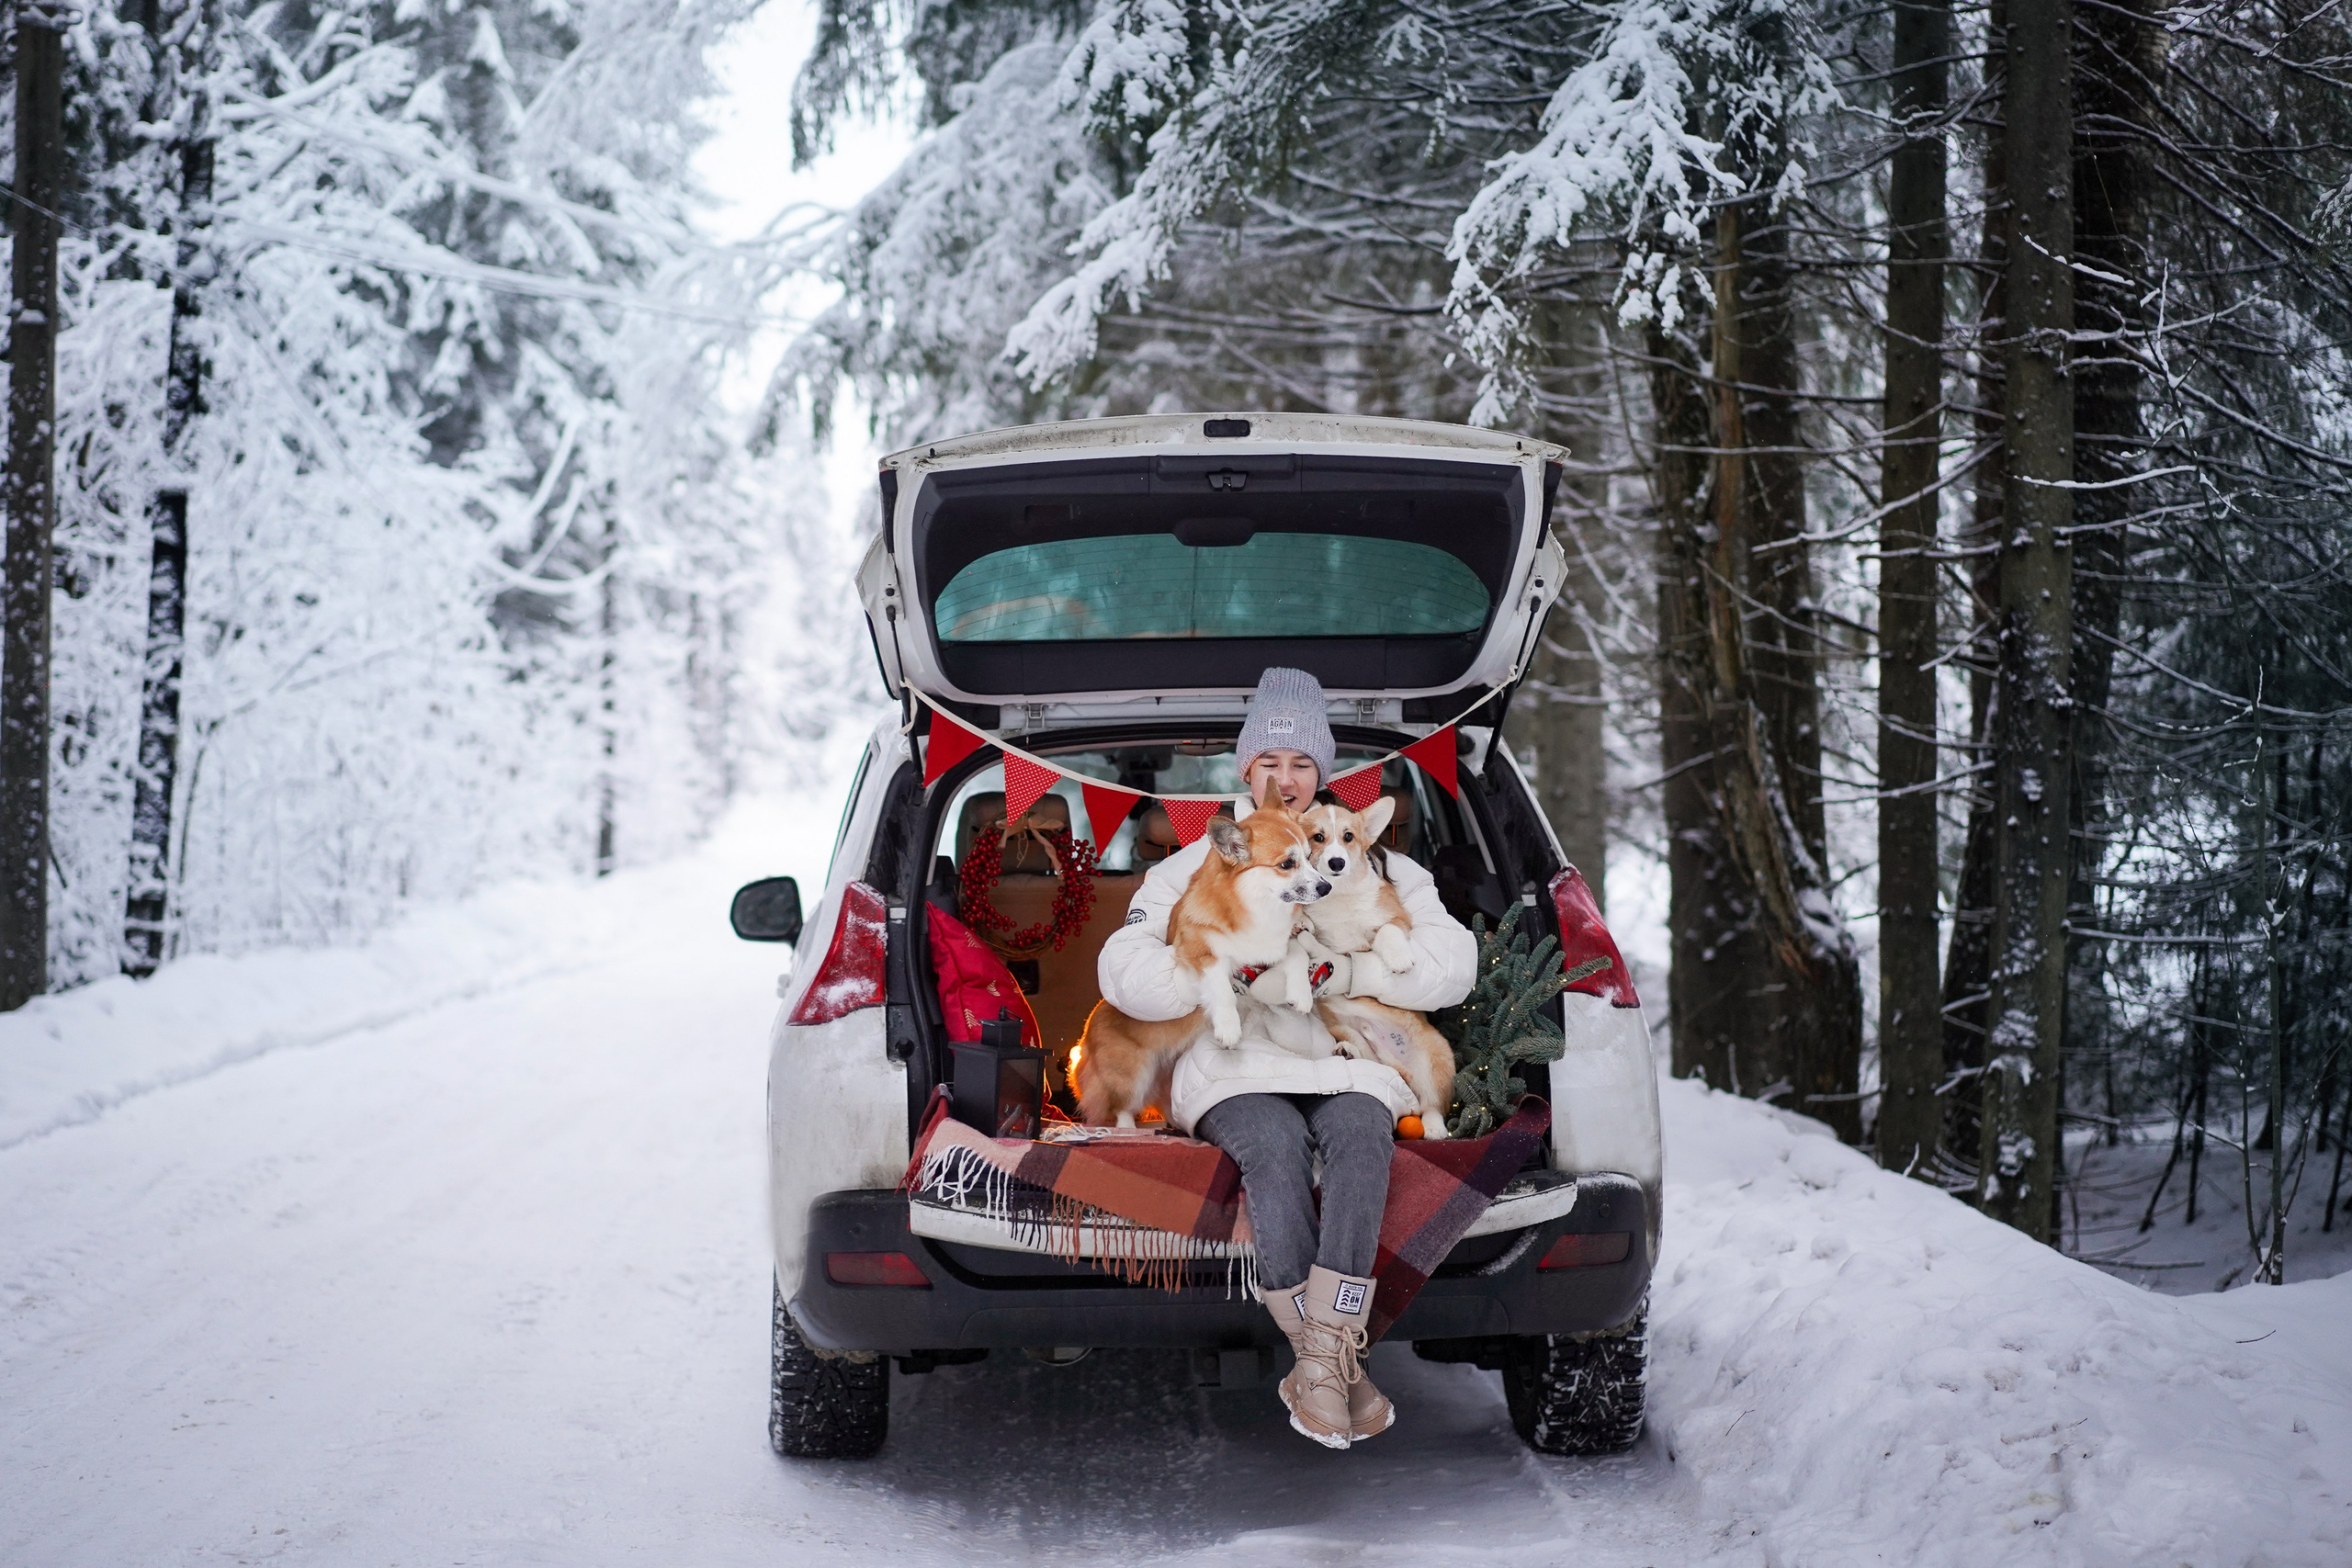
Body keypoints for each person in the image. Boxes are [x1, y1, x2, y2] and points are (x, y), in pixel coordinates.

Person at [1095, 667, 1475, 1449]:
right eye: (1270, 760)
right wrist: (1218, 970)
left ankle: (1320, 1362)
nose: (1286, 778)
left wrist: (1355, 973)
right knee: (1273, 1145)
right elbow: (1120, 972)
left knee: (1363, 1138)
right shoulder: (1198, 862)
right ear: (1245, 770)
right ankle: (1333, 1364)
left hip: (1345, 1056)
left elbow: (1455, 963)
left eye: (1302, 762)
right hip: (1236, 1062)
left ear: (1323, 774)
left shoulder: (1365, 858)